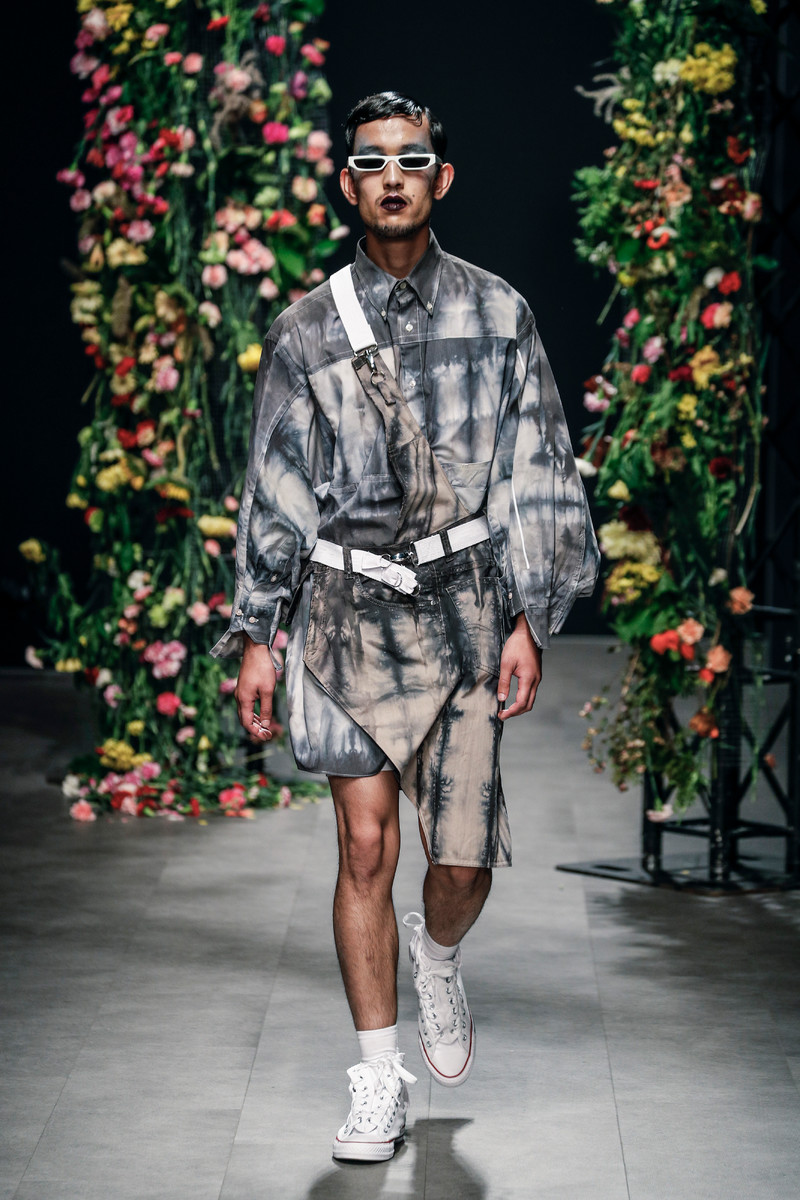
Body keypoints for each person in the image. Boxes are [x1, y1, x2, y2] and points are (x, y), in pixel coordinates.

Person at [211, 90, 599, 1163]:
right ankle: (377, 1077)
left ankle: (437, 956)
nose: (392, 176)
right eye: (373, 161)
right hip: (342, 611)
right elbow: (276, 487)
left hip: (464, 610)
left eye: (411, 159)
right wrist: (261, 632)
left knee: (461, 864)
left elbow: (537, 467)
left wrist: (528, 617)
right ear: (348, 183)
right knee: (365, 845)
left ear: (441, 178)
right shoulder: (305, 328)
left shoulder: (500, 313)